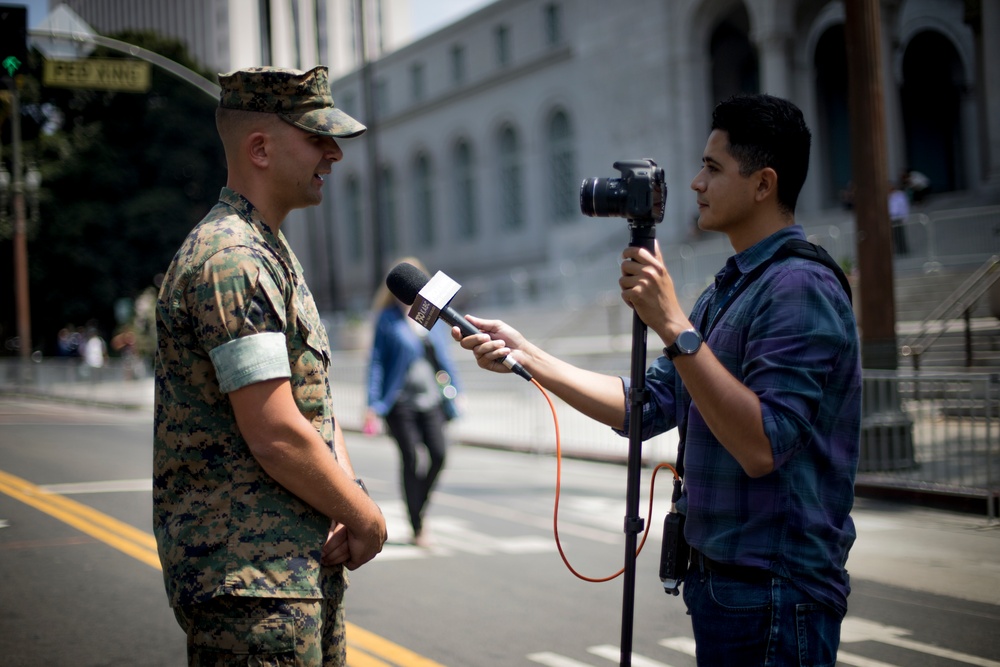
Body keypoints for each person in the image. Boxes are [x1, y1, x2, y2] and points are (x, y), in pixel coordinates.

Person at [456, 94, 861, 665]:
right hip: (725, 586)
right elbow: (644, 407)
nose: (695, 183)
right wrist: (528, 355)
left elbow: (762, 445)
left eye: (713, 168)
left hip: (776, 592)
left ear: (764, 184)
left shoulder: (798, 287)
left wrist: (671, 322)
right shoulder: (730, 289)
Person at [153, 66, 387, 666]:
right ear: (260, 148)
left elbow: (313, 402)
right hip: (252, 586)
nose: (333, 154)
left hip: (289, 575)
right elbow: (276, 431)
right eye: (317, 138)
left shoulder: (266, 248)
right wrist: (366, 518)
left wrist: (344, 497)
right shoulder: (232, 259)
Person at [364, 258, 461, 547]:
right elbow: (377, 363)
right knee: (411, 458)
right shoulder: (387, 319)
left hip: (430, 399)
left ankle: (419, 508)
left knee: (439, 454)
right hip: (399, 402)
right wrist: (372, 403)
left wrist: (457, 389)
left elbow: (443, 357)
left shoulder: (430, 316)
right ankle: (416, 523)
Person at [888, 180, 910, 255]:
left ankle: (903, 249)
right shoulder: (888, 196)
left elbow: (903, 207)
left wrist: (905, 217)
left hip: (898, 218)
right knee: (892, 236)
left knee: (900, 235)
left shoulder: (899, 195)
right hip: (891, 218)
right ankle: (896, 249)